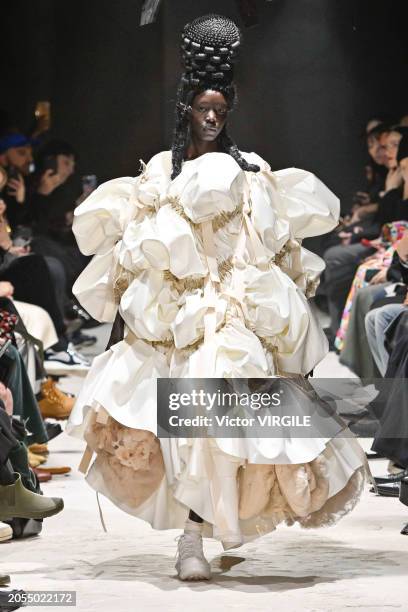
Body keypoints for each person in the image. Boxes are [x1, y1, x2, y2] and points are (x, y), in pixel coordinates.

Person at [67, 14, 368, 581]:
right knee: (185, 432)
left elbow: (271, 248)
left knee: (223, 428)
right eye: (202, 109)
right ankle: (191, 538)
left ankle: (199, 534)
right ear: (185, 109)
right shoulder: (162, 173)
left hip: (235, 311)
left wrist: (273, 317)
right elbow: (137, 256)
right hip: (175, 315)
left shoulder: (251, 172)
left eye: (220, 112)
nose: (210, 118)